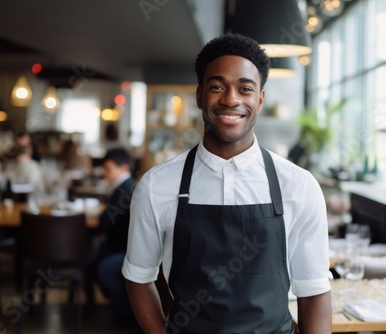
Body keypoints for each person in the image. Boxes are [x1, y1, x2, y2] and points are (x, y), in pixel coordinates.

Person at [122, 34, 332, 334]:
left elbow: (313, 291)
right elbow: (138, 276)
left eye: (245, 89)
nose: (231, 99)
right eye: (217, 87)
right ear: (199, 96)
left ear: (259, 99)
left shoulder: (299, 186)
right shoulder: (156, 186)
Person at [87, 148, 137, 325]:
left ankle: (126, 312)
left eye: (108, 169)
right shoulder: (127, 185)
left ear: (123, 168)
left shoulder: (125, 189)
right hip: (123, 244)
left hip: (128, 249)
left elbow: (105, 222)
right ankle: (119, 307)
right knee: (91, 259)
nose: (104, 173)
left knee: (101, 266)